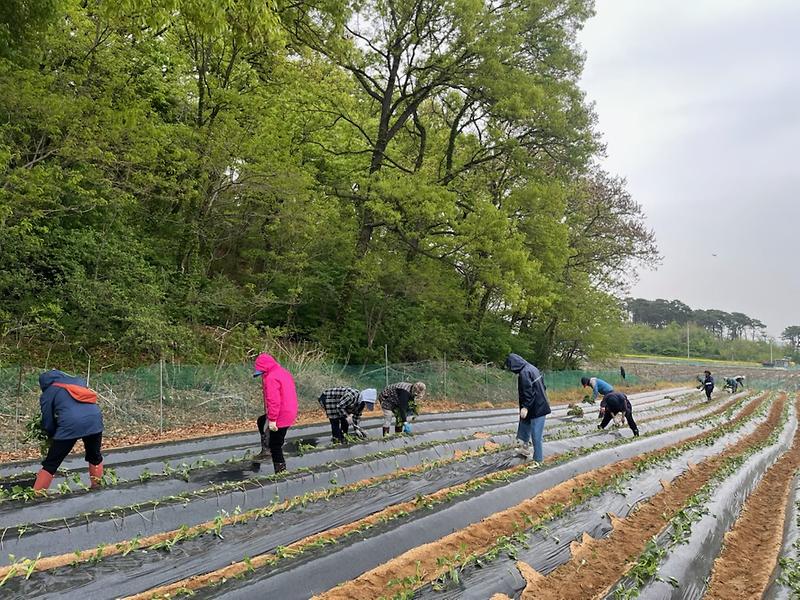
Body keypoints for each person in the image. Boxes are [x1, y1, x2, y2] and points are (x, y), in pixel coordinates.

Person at [33, 370, 104, 492]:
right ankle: (98, 487)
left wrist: (51, 434)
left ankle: (37, 495)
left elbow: (47, 419)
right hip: (94, 420)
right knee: (95, 456)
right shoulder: (78, 382)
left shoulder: (49, 392)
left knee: (51, 463)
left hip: (71, 424)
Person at [253, 353, 298, 473]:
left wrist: (273, 420)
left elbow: (274, 400)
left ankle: (281, 472)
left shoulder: (271, 378)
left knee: (275, 445)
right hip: (289, 409)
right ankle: (265, 450)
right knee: (261, 421)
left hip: (281, 413)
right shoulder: (283, 372)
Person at [505, 353, 551, 463]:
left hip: (538, 407)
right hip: (536, 404)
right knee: (524, 424)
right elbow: (543, 386)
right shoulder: (532, 368)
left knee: (536, 434)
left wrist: (525, 407)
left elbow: (528, 392)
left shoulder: (524, 373)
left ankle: (538, 460)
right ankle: (524, 448)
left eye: (510, 367)